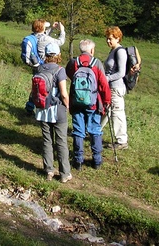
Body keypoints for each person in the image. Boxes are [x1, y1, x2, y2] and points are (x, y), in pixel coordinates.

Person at [66, 39, 111, 170]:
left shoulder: (74, 62)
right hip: (93, 103)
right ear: (92, 50)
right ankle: (96, 160)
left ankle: (77, 160)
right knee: (95, 130)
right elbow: (103, 85)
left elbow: (69, 75)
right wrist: (107, 101)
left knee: (78, 130)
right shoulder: (96, 63)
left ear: (81, 50)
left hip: (76, 101)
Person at [35, 42, 72, 183]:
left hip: (42, 109)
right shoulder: (60, 70)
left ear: (46, 54)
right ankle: (64, 174)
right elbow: (63, 93)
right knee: (61, 142)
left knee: (47, 140)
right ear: (57, 55)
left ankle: (49, 171)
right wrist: (67, 106)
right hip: (57, 110)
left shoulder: (39, 68)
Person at [24, 19, 66, 114]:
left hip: (36, 65)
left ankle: (30, 107)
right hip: (46, 66)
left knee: (36, 86)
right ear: (41, 27)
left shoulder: (33, 36)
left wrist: (52, 28)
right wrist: (62, 31)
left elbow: (43, 34)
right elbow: (60, 42)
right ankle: (46, 108)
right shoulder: (45, 39)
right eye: (44, 26)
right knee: (47, 87)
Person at [101, 26, 129, 150]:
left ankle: (122, 141)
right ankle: (94, 131)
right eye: (107, 38)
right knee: (106, 111)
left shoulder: (120, 51)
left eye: (110, 39)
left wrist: (106, 78)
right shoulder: (113, 50)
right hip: (110, 87)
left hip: (116, 88)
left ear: (118, 38)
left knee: (117, 113)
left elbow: (121, 73)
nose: (108, 41)